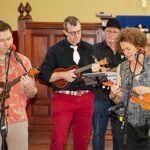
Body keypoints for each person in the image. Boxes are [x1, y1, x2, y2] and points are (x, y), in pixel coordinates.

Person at [39, 16, 100, 150]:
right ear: (65, 32)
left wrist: (96, 72)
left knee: (82, 140)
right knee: (59, 140)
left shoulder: (90, 49)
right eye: (73, 32)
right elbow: (43, 74)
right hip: (63, 98)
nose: (77, 35)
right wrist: (62, 75)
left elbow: (96, 80)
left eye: (79, 31)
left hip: (86, 98)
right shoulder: (54, 50)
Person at [110, 28, 150, 150]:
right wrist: (113, 94)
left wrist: (148, 89)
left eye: (128, 48)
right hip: (127, 125)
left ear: (139, 46)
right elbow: (120, 101)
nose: (125, 53)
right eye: (123, 49)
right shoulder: (121, 68)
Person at [0, 20, 37, 150]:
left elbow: (32, 93)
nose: (7, 43)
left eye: (9, 38)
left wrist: (29, 86)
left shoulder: (23, 61)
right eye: (1, 40)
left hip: (17, 118)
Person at [92, 18, 125, 150]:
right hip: (100, 97)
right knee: (98, 133)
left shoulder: (124, 50)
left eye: (115, 32)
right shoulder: (95, 49)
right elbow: (92, 75)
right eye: (109, 31)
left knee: (119, 134)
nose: (111, 34)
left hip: (119, 98)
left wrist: (107, 71)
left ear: (120, 33)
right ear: (104, 32)